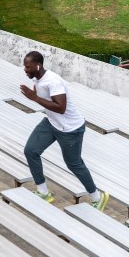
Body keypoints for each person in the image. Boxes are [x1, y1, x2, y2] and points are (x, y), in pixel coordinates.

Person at [20, 50, 109, 211]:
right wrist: (36, 96)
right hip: (51, 123)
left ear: (37, 65)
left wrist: (35, 98)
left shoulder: (53, 81)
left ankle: (97, 196)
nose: (25, 70)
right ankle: (43, 192)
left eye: (27, 67)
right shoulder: (39, 80)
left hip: (70, 129)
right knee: (31, 151)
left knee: (74, 164)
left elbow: (61, 107)